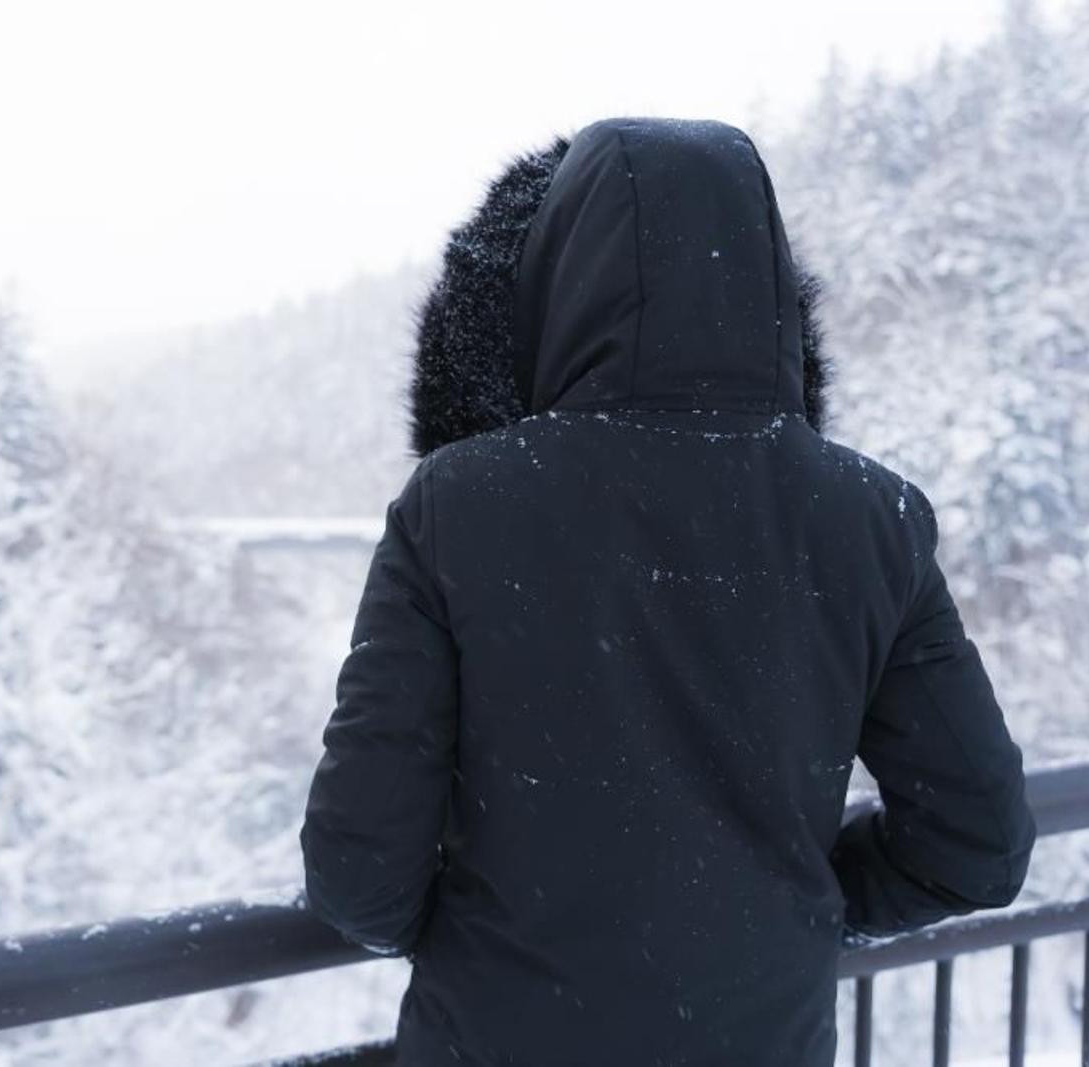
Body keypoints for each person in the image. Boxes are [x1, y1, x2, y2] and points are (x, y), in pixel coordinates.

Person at [297, 117, 1037, 1065]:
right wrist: (790, 899)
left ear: (551, 288)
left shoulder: (460, 507)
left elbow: (358, 873)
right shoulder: (872, 519)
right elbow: (978, 845)